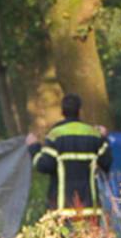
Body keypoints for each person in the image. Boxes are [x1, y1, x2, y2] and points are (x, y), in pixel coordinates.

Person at [26, 93, 112, 221]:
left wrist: (33, 147)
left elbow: (44, 165)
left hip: (63, 208)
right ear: (80, 111)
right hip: (90, 208)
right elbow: (107, 162)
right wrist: (105, 138)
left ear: (62, 111)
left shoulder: (55, 135)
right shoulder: (94, 135)